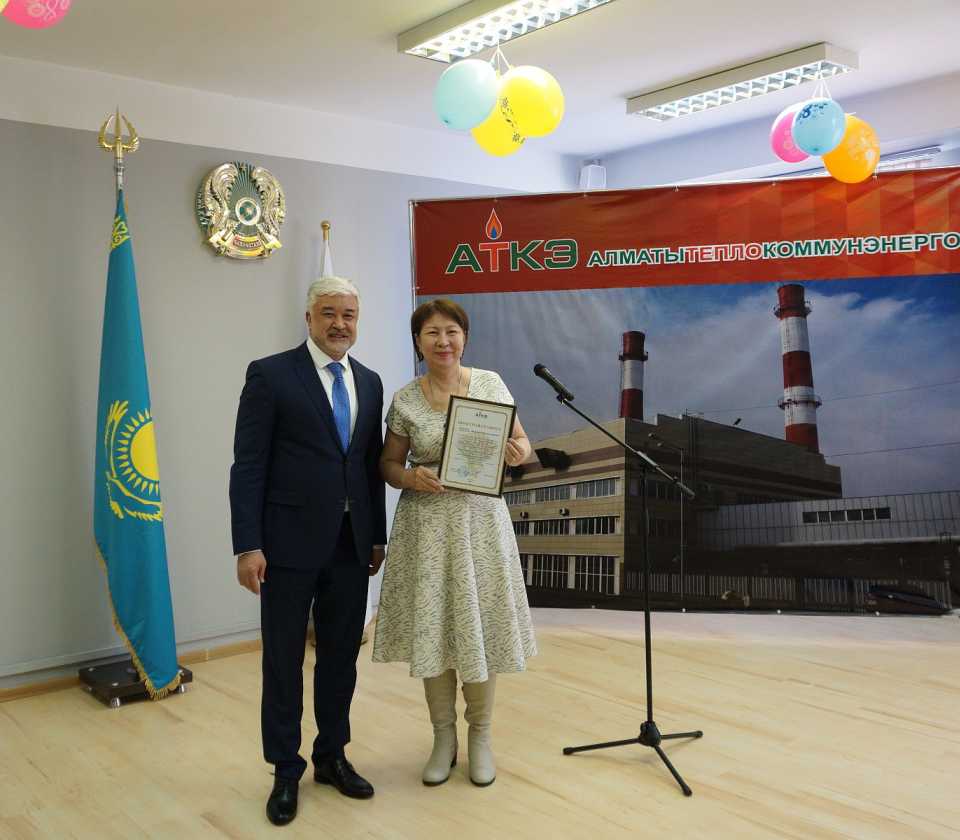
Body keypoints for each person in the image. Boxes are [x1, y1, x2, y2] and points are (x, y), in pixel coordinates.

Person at [229, 276, 386, 826]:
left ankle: (331, 756)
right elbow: (248, 465)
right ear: (309, 318)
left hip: (350, 546)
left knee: (341, 657)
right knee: (283, 661)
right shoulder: (271, 375)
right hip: (286, 546)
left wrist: (376, 535)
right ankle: (285, 770)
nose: (340, 324)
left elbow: (367, 466)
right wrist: (248, 544)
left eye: (349, 314)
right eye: (329, 313)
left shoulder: (370, 381)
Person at [372, 298, 537, 787]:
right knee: (435, 630)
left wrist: (517, 451)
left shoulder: (490, 384)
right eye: (432, 333)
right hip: (426, 528)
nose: (443, 341)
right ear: (418, 342)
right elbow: (387, 465)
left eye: (451, 331)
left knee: (479, 628)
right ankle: (443, 738)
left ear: (464, 337)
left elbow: (522, 441)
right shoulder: (405, 399)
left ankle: (480, 737)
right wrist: (410, 477)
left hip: (480, 525)